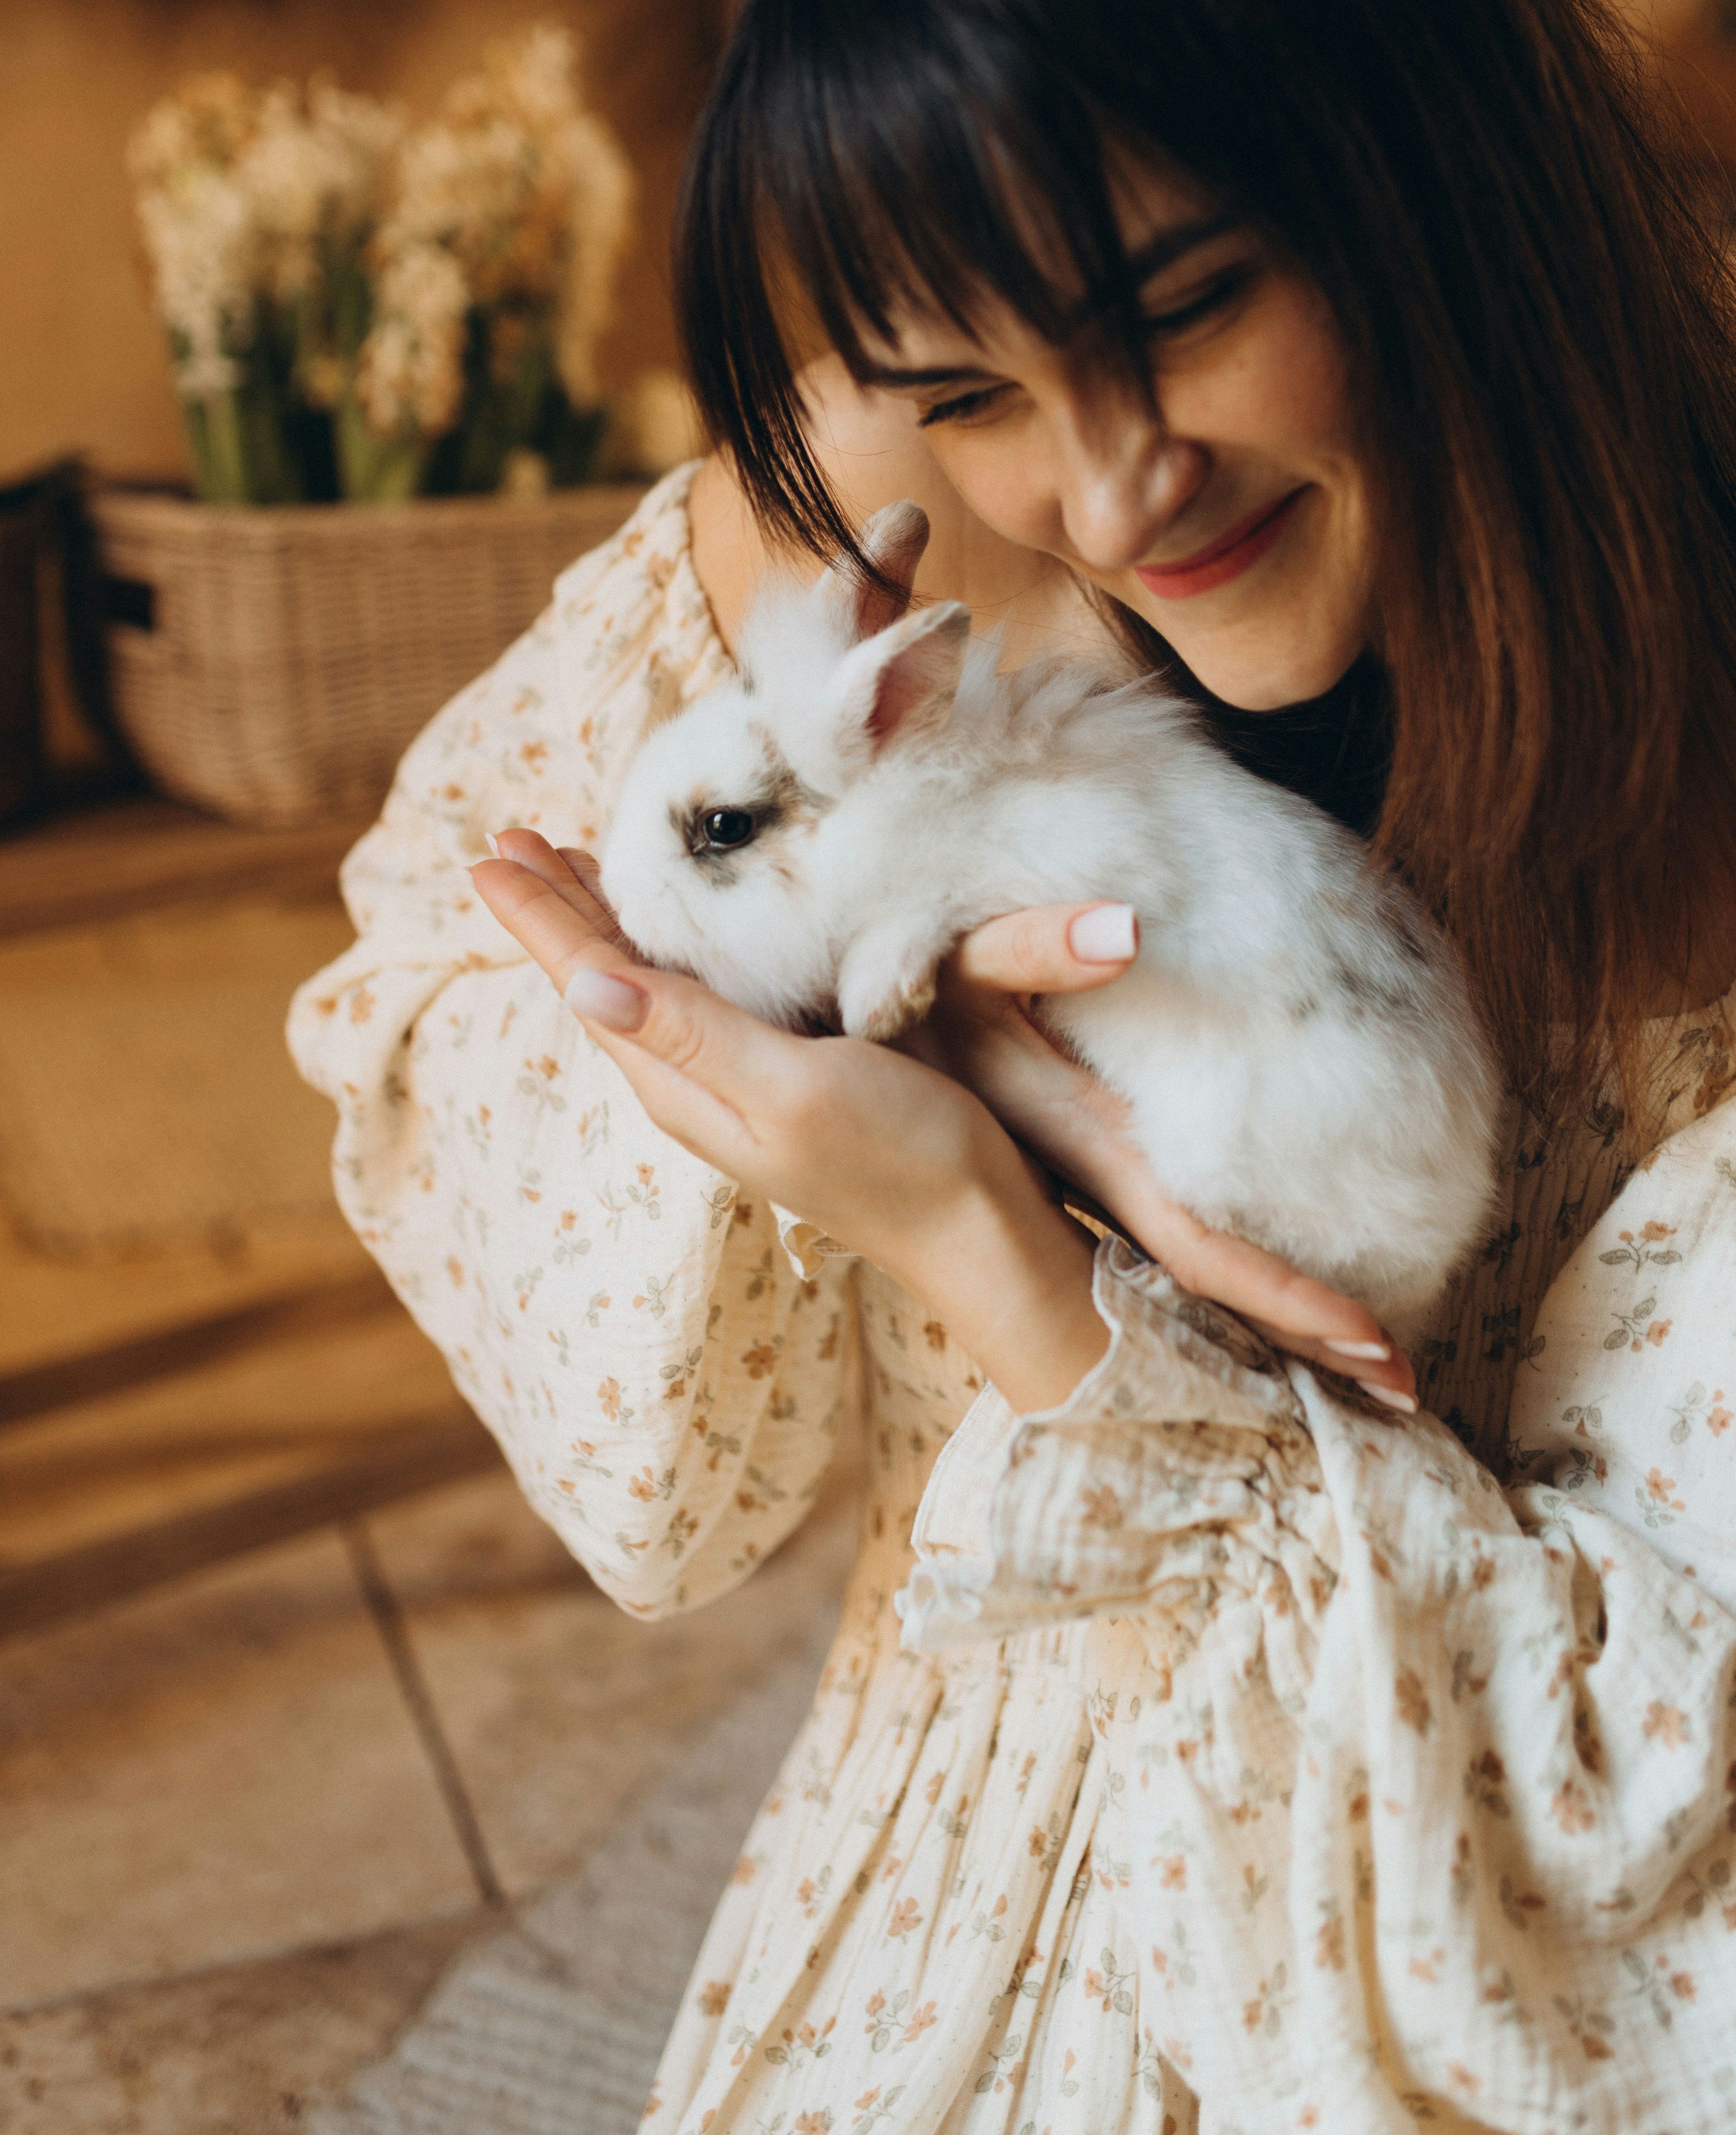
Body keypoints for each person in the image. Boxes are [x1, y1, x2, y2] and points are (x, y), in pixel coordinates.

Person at [290, 0, 1736, 2126]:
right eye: (971, 387)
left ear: (1422, 160)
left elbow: (1636, 1827)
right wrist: (815, 1039)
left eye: (1194, 304)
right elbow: (423, 965)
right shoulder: (873, 537)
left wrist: (1007, 1259)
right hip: (940, 1897)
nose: (1111, 483)